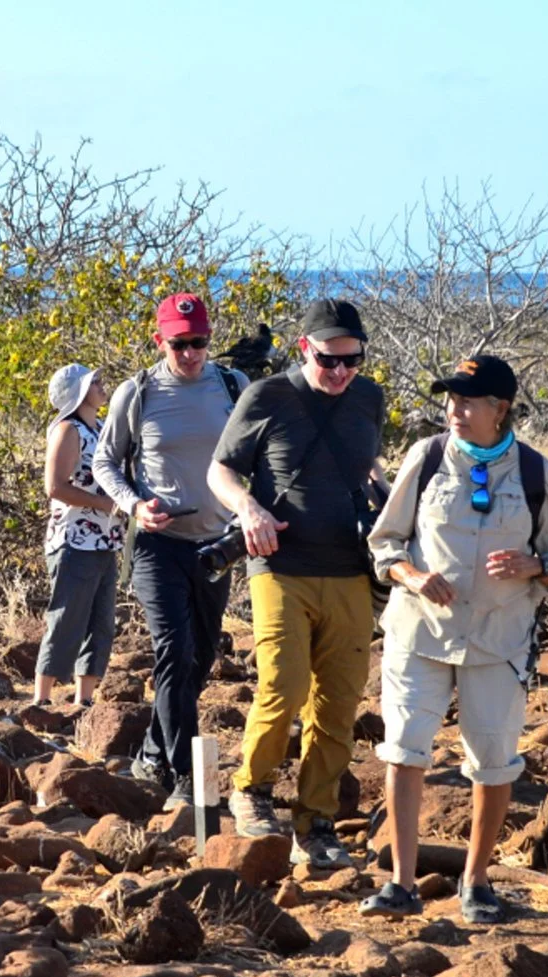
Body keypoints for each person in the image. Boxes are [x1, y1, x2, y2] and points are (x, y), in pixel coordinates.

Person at [361, 354, 548, 923]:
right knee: (405, 750)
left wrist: (536, 567)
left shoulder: (533, 471)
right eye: (451, 400)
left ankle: (476, 883)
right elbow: (385, 542)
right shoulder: (427, 457)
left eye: (468, 401)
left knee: (494, 761)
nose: (454, 410)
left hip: (498, 640)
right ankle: (401, 884)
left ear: (500, 409)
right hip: (419, 632)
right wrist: (412, 575)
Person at [209, 298, 390, 870]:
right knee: (284, 683)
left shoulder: (369, 398)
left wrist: (386, 498)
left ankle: (315, 824)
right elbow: (220, 470)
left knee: (338, 702)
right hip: (279, 563)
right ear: (302, 348)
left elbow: (367, 463)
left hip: (349, 569)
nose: (340, 372)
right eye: (327, 360)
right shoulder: (267, 397)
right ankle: (251, 788)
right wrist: (248, 510)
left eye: (352, 360)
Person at [92, 292, 248, 801]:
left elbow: (260, 453)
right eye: (179, 344)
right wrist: (134, 505)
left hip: (217, 545)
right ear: (159, 341)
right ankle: (184, 776)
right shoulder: (137, 392)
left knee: (200, 656)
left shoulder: (234, 386)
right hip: (157, 545)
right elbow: (104, 462)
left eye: (199, 342)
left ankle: (151, 755)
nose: (190, 353)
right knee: (174, 651)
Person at [33, 362, 121, 710]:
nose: (101, 386)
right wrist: (104, 504)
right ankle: (41, 700)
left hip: (105, 539)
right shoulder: (68, 430)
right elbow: (54, 487)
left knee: (101, 621)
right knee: (67, 617)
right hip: (73, 539)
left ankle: (84, 700)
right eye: (95, 382)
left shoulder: (101, 427)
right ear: (79, 392)